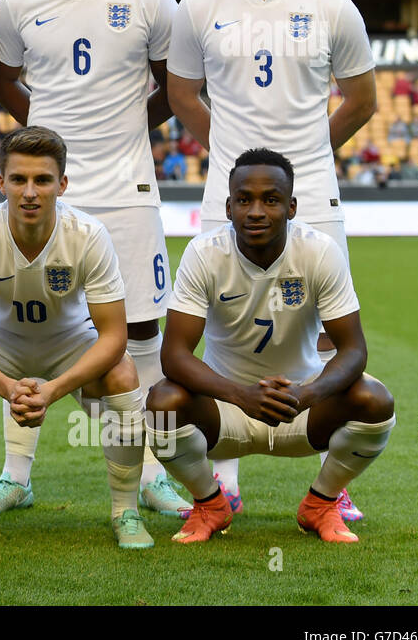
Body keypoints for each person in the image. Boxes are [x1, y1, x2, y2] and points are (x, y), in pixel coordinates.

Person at [166, 0, 377, 522]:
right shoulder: (199, 4)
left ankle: (330, 484)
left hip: (311, 190)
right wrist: (232, 164)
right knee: (217, 324)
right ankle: (222, 478)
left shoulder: (333, 4)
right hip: (224, 194)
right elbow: (180, 94)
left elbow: (361, 99)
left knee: (320, 333)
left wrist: (306, 158)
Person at [0, 0, 190, 521]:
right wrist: (46, 142)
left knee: (139, 330)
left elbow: (174, 87)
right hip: (47, 195)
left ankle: (153, 473)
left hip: (127, 188)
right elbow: (3, 82)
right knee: (29, 325)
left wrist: (125, 129)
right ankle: (16, 475)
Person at [147, 149, 395, 543]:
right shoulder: (204, 254)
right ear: (228, 207)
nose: (257, 211)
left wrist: (308, 393)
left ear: (291, 206)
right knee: (162, 403)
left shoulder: (319, 251)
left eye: (271, 200)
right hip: (226, 410)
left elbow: (353, 350)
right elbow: (174, 355)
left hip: (300, 408)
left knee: (374, 399)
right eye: (244, 200)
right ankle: (210, 505)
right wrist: (240, 395)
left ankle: (321, 503)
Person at [0, 126, 152, 550]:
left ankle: (127, 512)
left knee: (122, 373)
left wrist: (52, 391)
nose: (30, 192)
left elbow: (114, 335)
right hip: (0, 342)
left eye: (43, 180)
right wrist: (7, 387)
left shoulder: (88, 235)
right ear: (1, 183)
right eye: (19, 180)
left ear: (62, 184)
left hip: (68, 342)